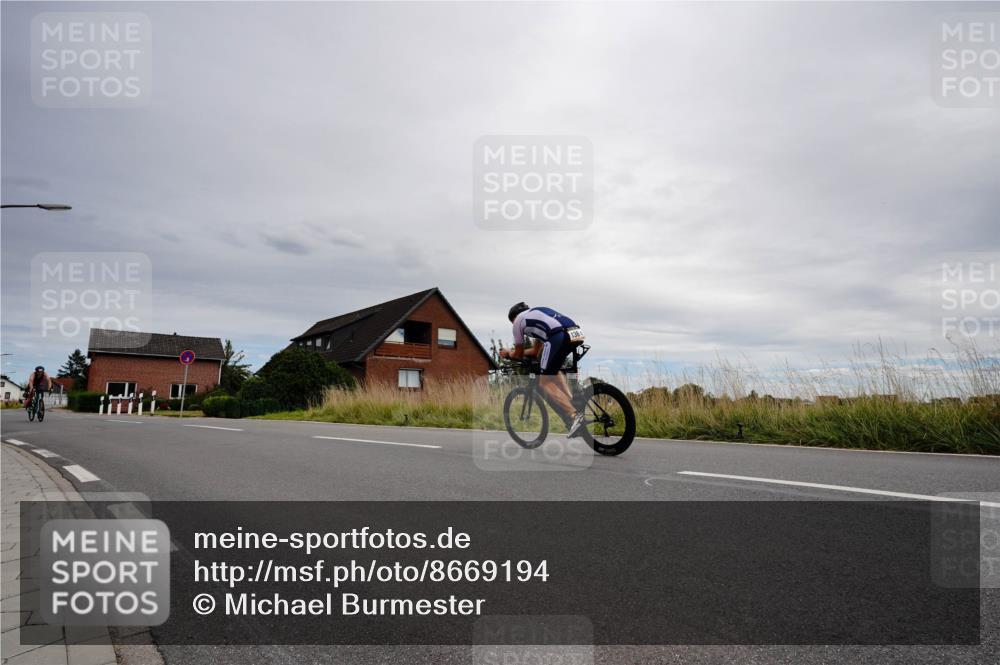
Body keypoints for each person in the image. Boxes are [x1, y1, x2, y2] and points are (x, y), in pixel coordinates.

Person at [499, 302, 587, 437]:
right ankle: (570, 400)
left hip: (558, 335)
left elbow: (518, 354)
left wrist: (508, 353)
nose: (514, 325)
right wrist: (517, 352)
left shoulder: (518, 322)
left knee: (544, 382)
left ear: (513, 318)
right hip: (575, 332)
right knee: (553, 369)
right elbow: (535, 351)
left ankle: (575, 416)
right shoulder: (537, 315)